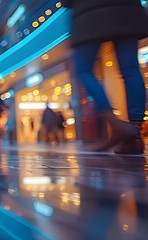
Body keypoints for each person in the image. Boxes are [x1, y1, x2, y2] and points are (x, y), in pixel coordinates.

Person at [63, 0, 148, 153]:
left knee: (83, 70)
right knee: (130, 69)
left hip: (89, 16)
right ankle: (134, 136)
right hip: (126, 9)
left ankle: (115, 124)